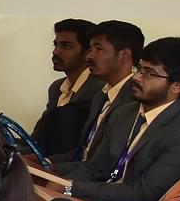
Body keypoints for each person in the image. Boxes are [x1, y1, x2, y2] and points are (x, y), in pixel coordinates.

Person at [61, 37, 180, 201]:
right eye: (139, 69)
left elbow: (142, 195)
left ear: (177, 86)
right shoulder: (124, 112)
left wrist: (71, 188)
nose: (137, 77)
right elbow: (93, 167)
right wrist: (61, 184)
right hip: (96, 199)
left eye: (149, 73)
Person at [50, 20, 143, 168]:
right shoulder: (102, 95)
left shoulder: (136, 98)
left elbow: (106, 166)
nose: (89, 57)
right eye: (90, 49)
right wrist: (46, 163)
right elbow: (83, 153)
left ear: (124, 56)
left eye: (98, 49)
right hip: (81, 173)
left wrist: (58, 178)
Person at [31, 19, 101, 158]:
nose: (56, 52)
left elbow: (82, 148)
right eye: (55, 45)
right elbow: (38, 139)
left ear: (88, 52)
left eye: (66, 46)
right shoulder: (56, 88)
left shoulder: (100, 90)